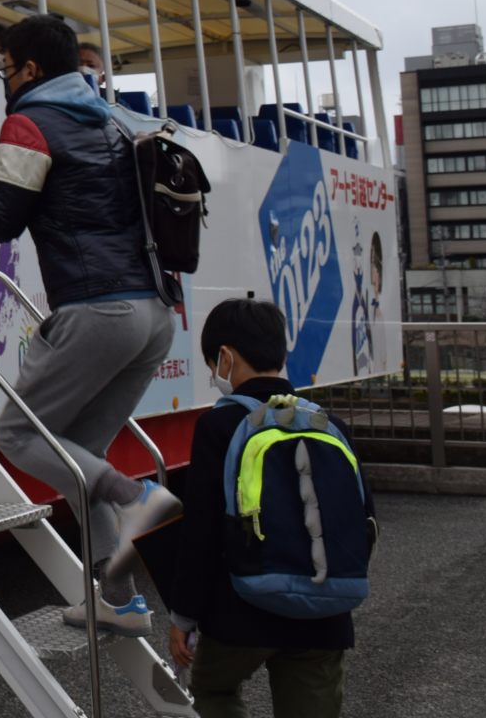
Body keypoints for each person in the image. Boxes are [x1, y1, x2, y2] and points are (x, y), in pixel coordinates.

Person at [0, 13, 177, 634]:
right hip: (153, 314)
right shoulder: (113, 121)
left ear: (30, 69)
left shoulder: (30, 121)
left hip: (98, 309)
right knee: (76, 457)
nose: (2, 78)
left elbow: (1, 219)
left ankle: (137, 498)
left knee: (17, 434)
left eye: (4, 66)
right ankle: (118, 600)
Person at [166, 298, 375, 718]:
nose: (214, 375)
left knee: (214, 691)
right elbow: (362, 517)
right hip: (325, 615)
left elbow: (202, 534)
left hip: (241, 610)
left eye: (212, 365)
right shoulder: (329, 425)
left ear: (225, 357)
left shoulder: (218, 426)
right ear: (280, 354)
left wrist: (183, 617)